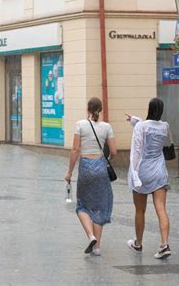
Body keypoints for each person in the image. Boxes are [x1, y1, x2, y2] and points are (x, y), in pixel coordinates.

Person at [65, 97, 117, 256]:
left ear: (88, 108)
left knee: (82, 205)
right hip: (101, 168)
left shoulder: (80, 125)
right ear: (100, 110)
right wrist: (106, 160)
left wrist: (69, 173)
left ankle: (90, 235)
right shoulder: (107, 127)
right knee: (100, 207)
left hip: (86, 168)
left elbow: (75, 150)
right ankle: (97, 248)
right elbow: (114, 152)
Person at [125, 98, 172, 259]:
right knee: (161, 208)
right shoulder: (165, 126)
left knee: (140, 210)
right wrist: (135, 120)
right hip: (159, 171)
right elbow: (151, 126)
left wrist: (134, 172)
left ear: (149, 108)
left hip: (143, 171)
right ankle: (164, 244)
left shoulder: (141, 126)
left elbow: (137, 150)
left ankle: (138, 244)